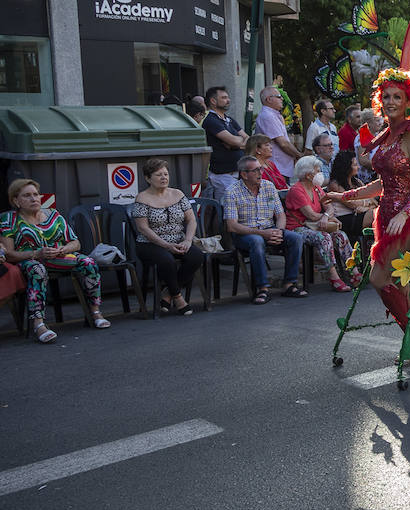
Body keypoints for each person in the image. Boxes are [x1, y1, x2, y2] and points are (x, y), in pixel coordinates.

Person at [323, 70, 410, 348]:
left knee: (379, 278)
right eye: (386, 96)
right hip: (387, 217)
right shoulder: (387, 135)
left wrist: (405, 213)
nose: (391, 101)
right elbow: (384, 183)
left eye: (397, 97)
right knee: (396, 283)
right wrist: (343, 195)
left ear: (407, 102)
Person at [2, 178, 111, 342]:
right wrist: (37, 253)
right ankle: (39, 324)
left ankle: (95, 312)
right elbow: (9, 254)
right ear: (16, 201)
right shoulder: (9, 220)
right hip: (29, 260)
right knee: (37, 270)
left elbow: (76, 242)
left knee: (88, 262)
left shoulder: (54, 215)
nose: (34, 199)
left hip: (59, 257)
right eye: (27, 196)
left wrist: (64, 249)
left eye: (36, 194)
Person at [225, 155, 307, 305]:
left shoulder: (268, 186)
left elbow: (281, 215)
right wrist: (263, 233)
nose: (260, 173)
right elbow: (232, 225)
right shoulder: (232, 192)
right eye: (255, 170)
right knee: (256, 241)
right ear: (244, 174)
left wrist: (278, 231)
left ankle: (290, 284)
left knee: (295, 238)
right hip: (245, 233)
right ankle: (262, 288)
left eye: (260, 169)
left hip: (270, 229)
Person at [129, 158, 203, 316]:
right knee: (167, 260)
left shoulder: (178, 194)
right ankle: (178, 297)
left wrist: (188, 240)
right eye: (158, 175)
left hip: (178, 240)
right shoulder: (142, 198)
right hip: (150, 243)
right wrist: (166, 245)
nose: (164, 177)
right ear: (148, 178)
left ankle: (167, 294)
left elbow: (191, 220)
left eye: (166, 174)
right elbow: (143, 228)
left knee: (196, 256)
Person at [285, 155, 355, 293]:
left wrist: (327, 216)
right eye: (317, 171)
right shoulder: (297, 190)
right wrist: (326, 217)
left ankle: (353, 271)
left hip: (316, 224)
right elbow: (310, 215)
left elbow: (329, 206)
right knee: (324, 238)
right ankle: (334, 277)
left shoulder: (316, 188)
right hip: (298, 227)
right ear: (308, 174)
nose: (320, 173)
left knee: (340, 235)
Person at [202, 85, 247, 203]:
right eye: (224, 97)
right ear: (213, 101)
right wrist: (235, 142)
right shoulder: (211, 120)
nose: (228, 100)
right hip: (222, 175)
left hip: (238, 173)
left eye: (228, 97)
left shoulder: (229, 120)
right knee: (227, 209)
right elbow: (233, 140)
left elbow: (248, 139)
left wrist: (234, 144)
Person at [326, 150, 376, 243]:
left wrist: (364, 207)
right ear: (346, 167)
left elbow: (373, 200)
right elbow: (351, 204)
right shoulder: (335, 185)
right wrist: (367, 203)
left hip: (359, 215)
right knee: (376, 214)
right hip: (344, 219)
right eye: (355, 165)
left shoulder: (357, 181)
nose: (358, 167)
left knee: (378, 211)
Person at [253, 85, 302, 175]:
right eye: (279, 97)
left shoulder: (274, 114)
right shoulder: (268, 116)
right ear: (269, 99)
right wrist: (299, 155)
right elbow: (283, 143)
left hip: (281, 167)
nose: (282, 99)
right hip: (276, 168)